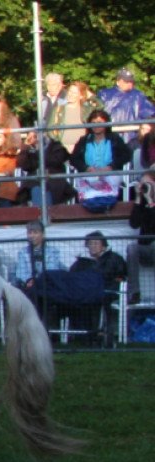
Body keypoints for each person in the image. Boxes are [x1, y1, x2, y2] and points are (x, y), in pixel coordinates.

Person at [66, 231, 126, 345]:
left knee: (96, 299)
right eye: (90, 243)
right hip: (85, 292)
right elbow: (72, 275)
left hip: (107, 291)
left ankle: (98, 334)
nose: (92, 246)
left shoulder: (113, 258)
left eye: (95, 243)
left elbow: (120, 275)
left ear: (103, 244)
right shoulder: (82, 262)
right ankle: (84, 335)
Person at [70, 109, 132, 205]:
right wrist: (86, 168)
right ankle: (90, 203)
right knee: (90, 180)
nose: (96, 125)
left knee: (110, 180)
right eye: (93, 123)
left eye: (99, 122)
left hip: (110, 173)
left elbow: (126, 155)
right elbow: (74, 159)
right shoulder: (84, 140)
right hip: (89, 174)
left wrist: (111, 167)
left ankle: (107, 202)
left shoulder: (115, 139)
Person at [16, 131, 76, 207]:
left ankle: (44, 214)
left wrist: (39, 155)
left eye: (39, 134)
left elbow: (58, 160)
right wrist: (25, 146)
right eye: (34, 136)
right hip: (34, 180)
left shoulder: (56, 146)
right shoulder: (29, 150)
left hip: (54, 179)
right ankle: (44, 214)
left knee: (44, 189)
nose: (37, 138)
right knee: (36, 189)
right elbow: (23, 165)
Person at [97, 67, 155, 143]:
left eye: (131, 81)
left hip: (132, 137)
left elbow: (149, 113)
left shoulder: (138, 96)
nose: (130, 84)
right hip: (109, 136)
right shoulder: (104, 94)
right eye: (126, 81)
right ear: (118, 82)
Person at [48, 80, 103, 153]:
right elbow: (50, 129)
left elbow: (101, 106)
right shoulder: (58, 109)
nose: (71, 94)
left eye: (74, 93)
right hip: (62, 150)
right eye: (70, 91)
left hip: (82, 149)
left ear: (81, 95)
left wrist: (91, 95)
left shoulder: (87, 109)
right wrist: (60, 145)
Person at [126, 169, 155, 304]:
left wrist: (151, 201)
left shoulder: (149, 202)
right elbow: (134, 224)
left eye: (148, 184)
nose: (145, 187)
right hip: (147, 249)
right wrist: (138, 198)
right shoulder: (142, 203)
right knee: (132, 248)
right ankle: (134, 292)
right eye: (142, 184)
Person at [14, 220, 65, 294]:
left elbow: (52, 269)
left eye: (35, 232)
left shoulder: (53, 251)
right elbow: (21, 271)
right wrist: (29, 280)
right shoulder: (22, 252)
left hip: (47, 285)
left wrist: (38, 281)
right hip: (29, 286)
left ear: (43, 234)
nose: (32, 236)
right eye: (29, 233)